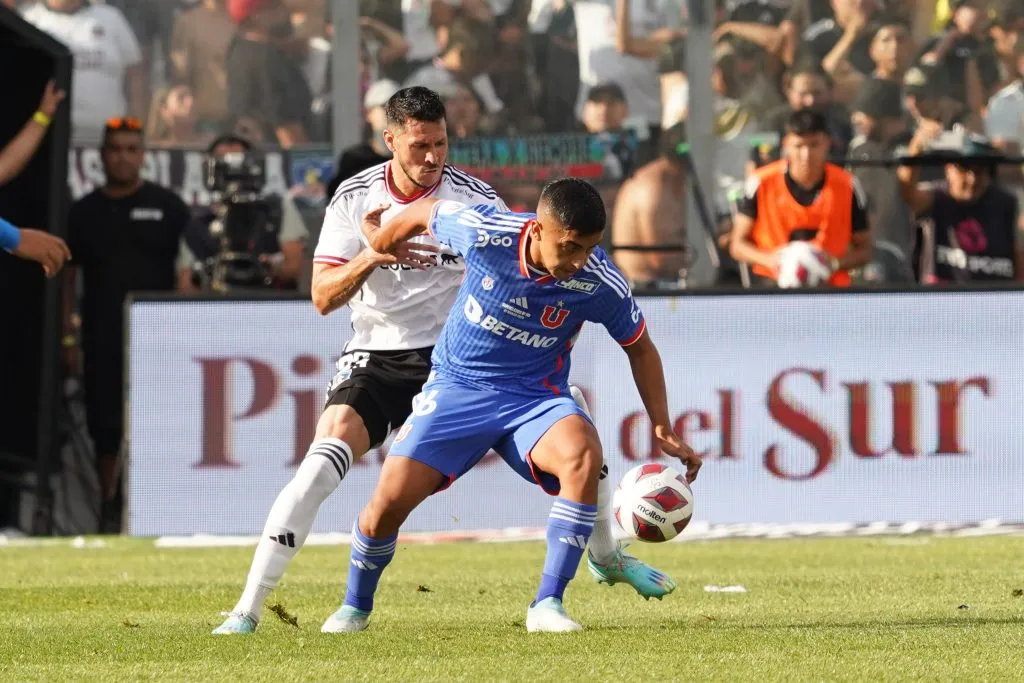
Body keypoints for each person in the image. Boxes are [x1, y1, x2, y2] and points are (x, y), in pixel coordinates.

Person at [212, 87, 674, 636]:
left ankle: (597, 562)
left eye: (441, 144)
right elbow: (321, 296)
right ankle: (249, 608)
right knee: (324, 464)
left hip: (468, 356)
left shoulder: (478, 203)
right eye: (418, 146)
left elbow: (520, 267)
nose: (432, 158)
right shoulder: (353, 198)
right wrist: (375, 251)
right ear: (390, 141)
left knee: (580, 437)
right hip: (382, 355)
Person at [322, 178, 702, 634]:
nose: (580, 260)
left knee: (583, 455)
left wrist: (661, 425)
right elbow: (427, 209)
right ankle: (354, 607)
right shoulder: (486, 232)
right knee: (386, 503)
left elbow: (640, 347)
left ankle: (548, 605)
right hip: (457, 389)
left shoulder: (598, 279)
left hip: (535, 399)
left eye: (590, 248)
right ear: (539, 230)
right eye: (571, 246)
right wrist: (381, 242)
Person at [65, 118, 192, 532]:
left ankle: (158, 508)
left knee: (160, 422)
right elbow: (67, 278)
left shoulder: (169, 206)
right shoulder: (83, 212)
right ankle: (109, 509)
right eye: (115, 148)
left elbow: (188, 270)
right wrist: (67, 334)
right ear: (102, 155)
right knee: (105, 425)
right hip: (101, 336)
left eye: (131, 149)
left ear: (143, 155)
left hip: (160, 338)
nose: (123, 157)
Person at [730, 109, 873, 287]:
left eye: (814, 145)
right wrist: (771, 260)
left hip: (831, 290)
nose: (806, 155)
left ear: (827, 143)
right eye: (798, 146)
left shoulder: (847, 185)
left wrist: (832, 263)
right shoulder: (761, 182)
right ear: (786, 145)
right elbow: (737, 244)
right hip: (772, 287)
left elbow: (865, 248)